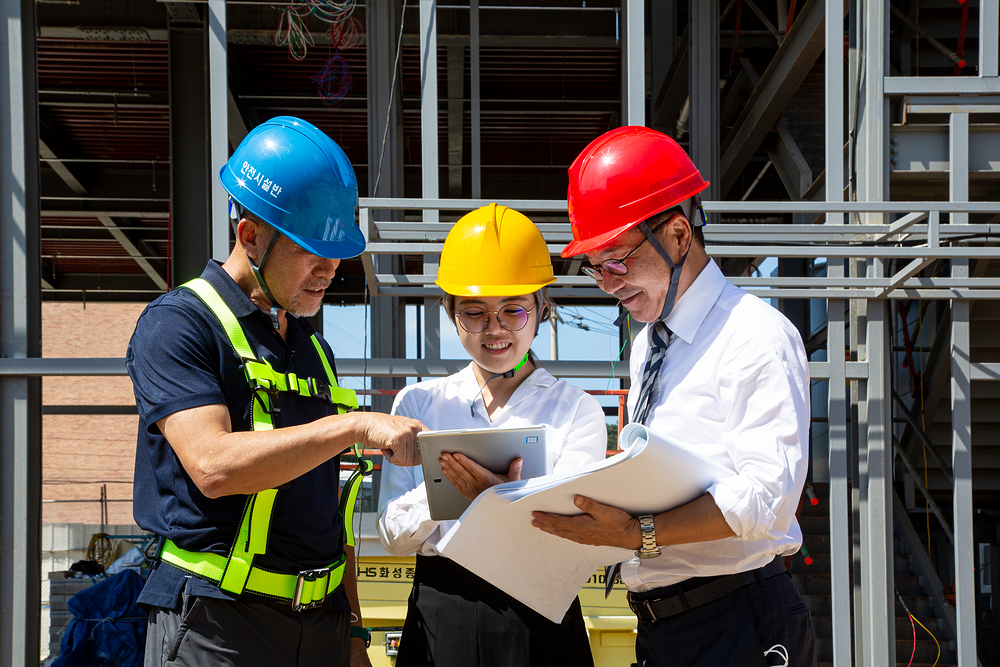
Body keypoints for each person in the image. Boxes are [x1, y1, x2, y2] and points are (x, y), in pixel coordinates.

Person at [126, 116, 425, 667]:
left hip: (325, 624)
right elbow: (214, 466)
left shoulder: (311, 346)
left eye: (336, 254)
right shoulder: (179, 326)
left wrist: (354, 633)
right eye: (311, 251)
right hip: (220, 626)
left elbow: (328, 510)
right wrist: (353, 425)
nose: (330, 270)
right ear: (250, 236)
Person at [531, 126, 816, 667]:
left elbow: (765, 500)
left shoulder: (755, 336)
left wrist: (640, 534)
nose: (608, 285)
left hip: (735, 620)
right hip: (663, 626)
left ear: (679, 235)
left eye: (617, 260)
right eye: (595, 268)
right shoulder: (649, 347)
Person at [376, 203, 608, 667]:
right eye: (474, 313)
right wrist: (450, 491)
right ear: (449, 311)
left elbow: (574, 539)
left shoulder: (576, 411)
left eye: (513, 311)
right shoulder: (419, 406)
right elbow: (392, 536)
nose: (495, 330)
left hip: (540, 609)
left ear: (543, 306)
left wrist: (491, 494)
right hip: (443, 608)